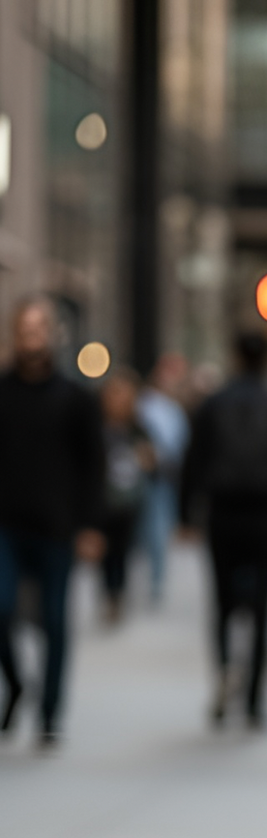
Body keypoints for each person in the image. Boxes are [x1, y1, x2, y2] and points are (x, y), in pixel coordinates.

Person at [181, 333, 267, 729]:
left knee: (221, 600)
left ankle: (223, 672)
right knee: (264, 605)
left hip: (224, 512)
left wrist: (186, 515)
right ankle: (254, 699)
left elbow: (193, 459)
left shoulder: (214, 403)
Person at [0, 297, 106, 744]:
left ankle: (49, 713)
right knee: (1, 608)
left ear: (52, 335)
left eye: (40, 328)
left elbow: (93, 464)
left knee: (54, 619)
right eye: (25, 329)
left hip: (58, 525)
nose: (32, 337)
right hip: (5, 523)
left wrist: (91, 525)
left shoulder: (75, 397)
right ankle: (17, 683)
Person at [96, 367, 156, 625]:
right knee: (104, 552)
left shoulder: (138, 429)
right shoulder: (97, 427)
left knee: (123, 550)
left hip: (129, 500)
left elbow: (153, 463)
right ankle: (109, 593)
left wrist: (147, 459)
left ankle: (118, 593)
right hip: (102, 499)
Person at [135, 352, 191, 605]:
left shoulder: (174, 409)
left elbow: (180, 446)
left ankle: (154, 582)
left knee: (158, 530)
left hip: (164, 477)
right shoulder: (145, 405)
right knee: (144, 529)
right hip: (141, 476)